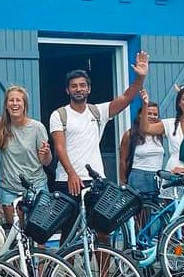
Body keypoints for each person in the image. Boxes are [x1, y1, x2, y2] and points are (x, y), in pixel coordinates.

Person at [49, 51, 150, 196]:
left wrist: (140, 78)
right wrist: (71, 174)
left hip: (95, 178)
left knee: (97, 219)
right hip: (66, 179)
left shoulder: (98, 111)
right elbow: (59, 147)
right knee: (70, 220)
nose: (78, 89)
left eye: (83, 85)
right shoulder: (59, 115)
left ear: (89, 89)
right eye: (74, 86)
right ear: (67, 90)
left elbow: (127, 98)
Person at [0, 85, 51, 225]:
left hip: (36, 186)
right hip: (10, 189)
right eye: (11, 100)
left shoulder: (37, 128)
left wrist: (46, 154)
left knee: (40, 235)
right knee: (16, 237)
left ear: (25, 105)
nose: (14, 104)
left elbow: (46, 162)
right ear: (6, 105)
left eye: (18, 100)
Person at [119, 98, 163, 200]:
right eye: (149, 113)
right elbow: (123, 160)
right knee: (140, 212)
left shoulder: (160, 133)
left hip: (157, 176)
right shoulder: (130, 134)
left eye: (155, 114)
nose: (152, 117)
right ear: (141, 115)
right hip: (139, 176)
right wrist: (122, 181)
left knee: (156, 211)